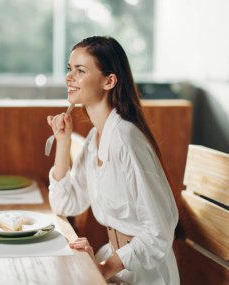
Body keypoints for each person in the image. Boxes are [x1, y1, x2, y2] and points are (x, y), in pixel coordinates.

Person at [46, 36, 180, 285]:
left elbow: (159, 232)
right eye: (69, 69)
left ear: (109, 81)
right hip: (117, 264)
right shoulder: (95, 137)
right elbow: (65, 204)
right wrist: (62, 145)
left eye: (80, 71)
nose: (69, 77)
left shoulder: (126, 139)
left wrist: (103, 268)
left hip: (145, 273)